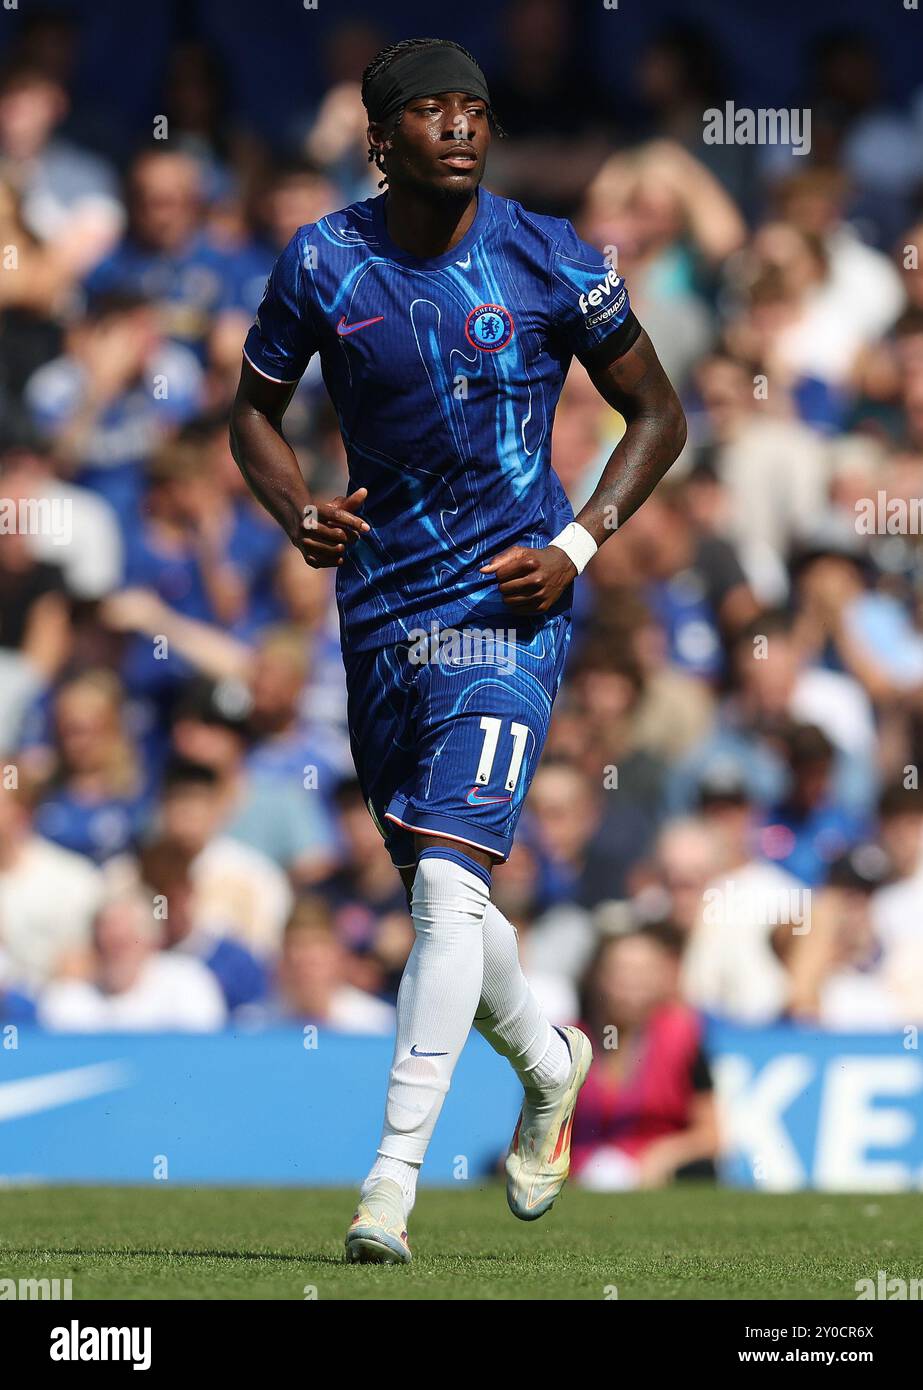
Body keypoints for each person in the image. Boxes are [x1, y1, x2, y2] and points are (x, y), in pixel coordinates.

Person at [230, 36, 685, 1265]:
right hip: (381, 612)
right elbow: (252, 413)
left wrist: (579, 545)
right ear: (378, 138)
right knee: (449, 898)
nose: (457, 126)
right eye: (427, 111)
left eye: (471, 108)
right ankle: (549, 1065)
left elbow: (659, 411)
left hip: (509, 609)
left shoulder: (548, 253)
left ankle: (389, 1180)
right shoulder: (322, 258)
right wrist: (295, 510)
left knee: (445, 886)